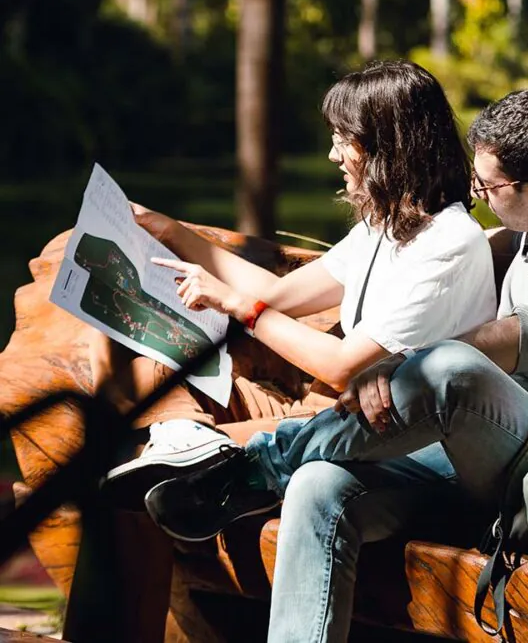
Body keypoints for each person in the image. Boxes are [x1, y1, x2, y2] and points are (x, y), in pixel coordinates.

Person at [143, 88, 528, 643]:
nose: (476, 195)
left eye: (486, 186)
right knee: (317, 485)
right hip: (484, 449)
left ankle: (253, 467)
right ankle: (271, 480)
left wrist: (410, 364)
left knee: (449, 368)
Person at [97, 59, 496, 505]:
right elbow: (278, 294)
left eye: (344, 141)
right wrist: (168, 229)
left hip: (365, 429)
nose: (332, 155)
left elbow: (341, 366)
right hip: (321, 409)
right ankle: (186, 442)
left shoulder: (448, 242)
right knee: (144, 368)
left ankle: (198, 455)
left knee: (147, 454)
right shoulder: (382, 227)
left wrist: (238, 306)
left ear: (389, 146)